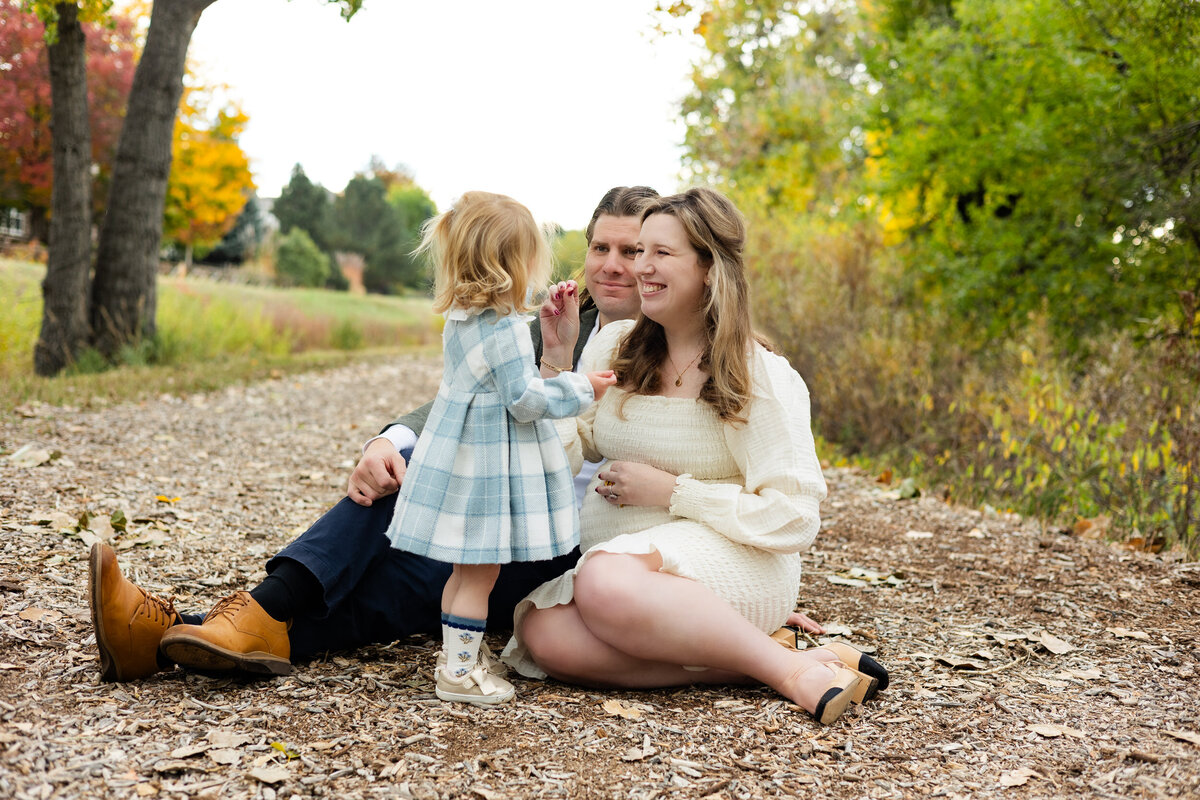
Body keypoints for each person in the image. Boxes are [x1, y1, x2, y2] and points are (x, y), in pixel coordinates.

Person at [87, 186, 658, 682]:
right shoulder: (546, 318)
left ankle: (172, 634)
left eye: (630, 251)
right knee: (388, 499)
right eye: (600, 247)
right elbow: (460, 400)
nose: (610, 264)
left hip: (555, 542)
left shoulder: (673, 348)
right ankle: (217, 627)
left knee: (392, 583)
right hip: (490, 505)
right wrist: (389, 441)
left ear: (659, 258)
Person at [499, 187, 887, 724]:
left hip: (733, 563)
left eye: (662, 253)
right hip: (629, 581)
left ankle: (794, 675)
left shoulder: (758, 374)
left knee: (604, 581)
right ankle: (761, 658)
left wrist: (674, 493)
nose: (641, 268)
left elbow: (796, 518)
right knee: (543, 633)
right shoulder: (614, 348)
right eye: (640, 252)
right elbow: (556, 464)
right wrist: (558, 365)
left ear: (709, 267)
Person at [381, 192, 615, 705]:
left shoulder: (463, 319)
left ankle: (455, 657)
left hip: (462, 459)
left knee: (463, 573)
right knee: (480, 575)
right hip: (491, 468)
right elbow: (524, 400)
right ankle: (460, 675)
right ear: (513, 262)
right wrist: (584, 389)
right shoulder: (507, 329)